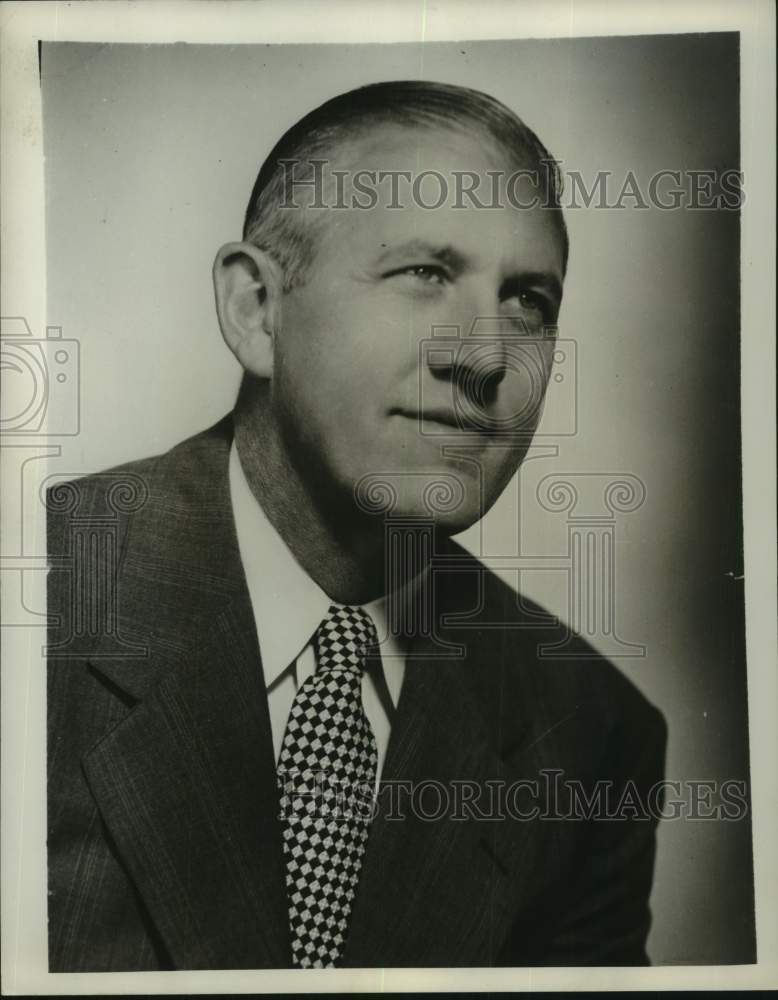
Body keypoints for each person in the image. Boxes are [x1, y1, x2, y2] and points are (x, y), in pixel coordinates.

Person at [46, 80, 667, 971]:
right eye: (424, 273)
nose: (487, 354)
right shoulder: (40, 597)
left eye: (528, 299)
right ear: (256, 311)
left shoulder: (591, 734)